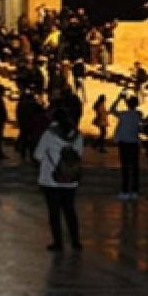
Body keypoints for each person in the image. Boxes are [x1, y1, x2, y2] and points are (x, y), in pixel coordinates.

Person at [35, 108, 83, 252]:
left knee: (54, 212)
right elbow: (79, 155)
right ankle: (76, 241)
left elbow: (38, 155)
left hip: (51, 179)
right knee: (70, 211)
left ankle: (58, 243)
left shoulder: (49, 134)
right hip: (71, 179)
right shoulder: (77, 135)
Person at [110, 93, 142, 200]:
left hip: (124, 144)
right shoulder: (138, 115)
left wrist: (119, 99)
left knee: (125, 168)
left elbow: (112, 109)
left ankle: (125, 190)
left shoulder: (123, 114)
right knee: (134, 168)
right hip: (134, 144)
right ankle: (134, 191)